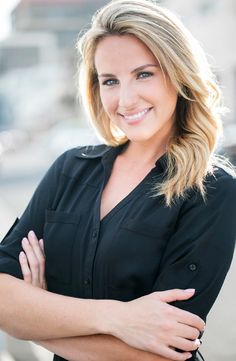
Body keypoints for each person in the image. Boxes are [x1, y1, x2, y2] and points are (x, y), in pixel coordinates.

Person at [0, 0, 236, 360]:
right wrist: (120, 319)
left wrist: (38, 320)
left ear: (178, 72)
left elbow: (162, 353)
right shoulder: (70, 169)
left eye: (143, 74)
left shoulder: (213, 189)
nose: (125, 100)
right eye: (110, 81)